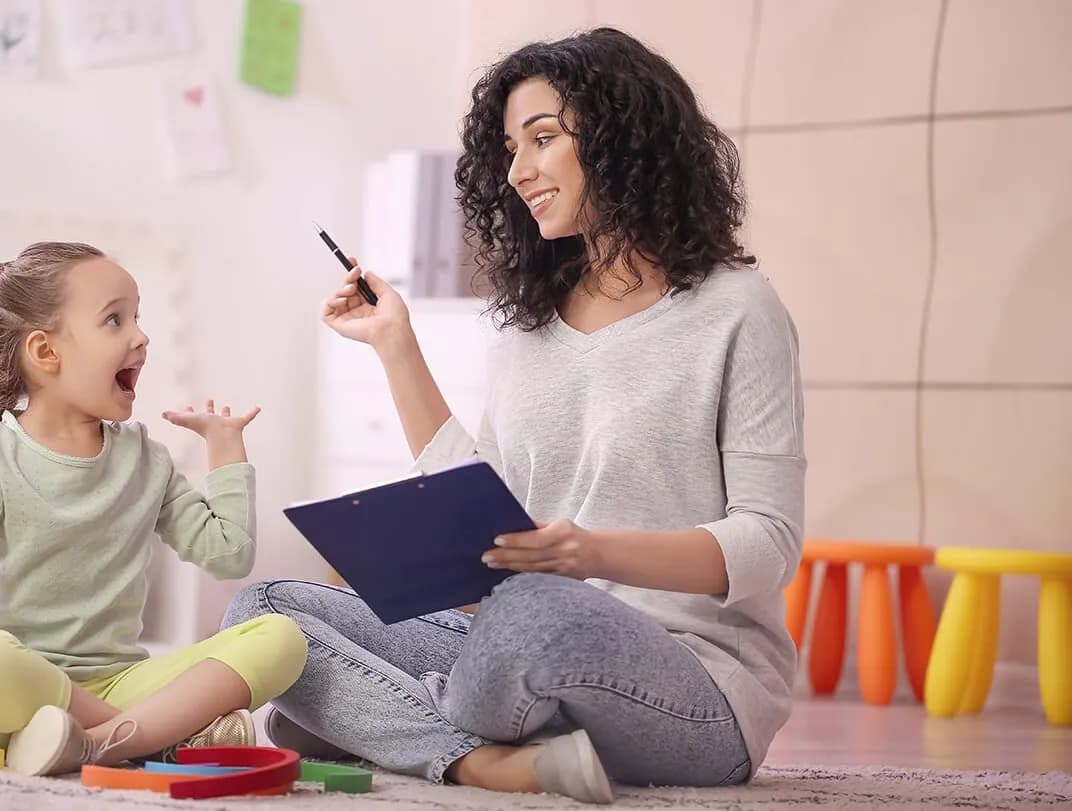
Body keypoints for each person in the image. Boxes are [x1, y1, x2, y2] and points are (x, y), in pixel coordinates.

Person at [223, 27, 805, 804]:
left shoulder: (738, 310)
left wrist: (586, 553)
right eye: (509, 148)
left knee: (525, 615)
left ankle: (382, 719)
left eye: (543, 138)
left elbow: (768, 543)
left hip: (695, 682)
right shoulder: (528, 328)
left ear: (624, 137)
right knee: (265, 614)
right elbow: (486, 505)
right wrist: (394, 344)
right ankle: (483, 757)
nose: (518, 170)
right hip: (512, 641)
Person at [0, 241, 307, 776]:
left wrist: (226, 451)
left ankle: (96, 743)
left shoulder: (145, 459)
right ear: (46, 353)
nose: (141, 337)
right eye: (115, 320)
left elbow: (228, 555)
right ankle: (151, 736)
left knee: (283, 637)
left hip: (121, 682)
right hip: (13, 693)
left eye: (137, 317)